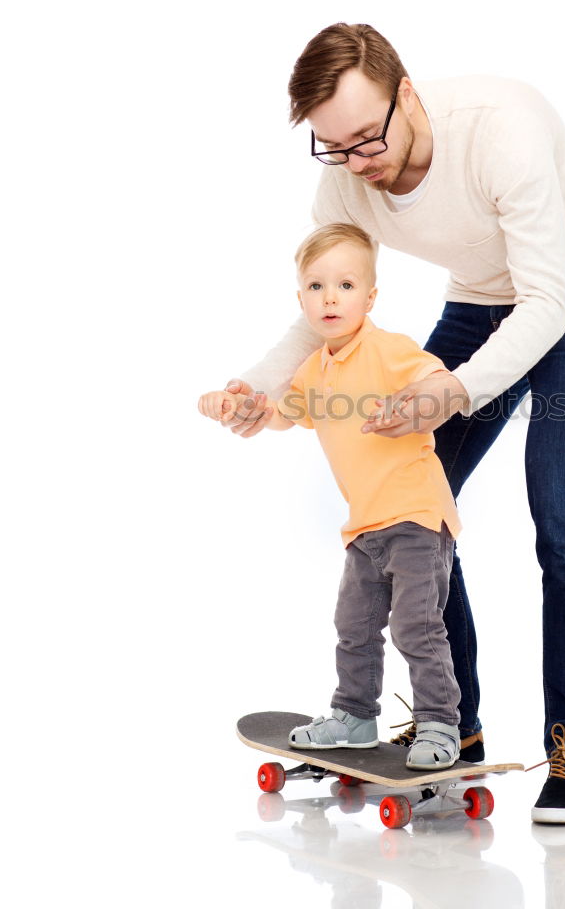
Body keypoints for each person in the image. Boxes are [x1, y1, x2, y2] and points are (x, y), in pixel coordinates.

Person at [221, 24, 565, 823]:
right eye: (334, 146)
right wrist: (258, 385)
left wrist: (452, 389)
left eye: (369, 136)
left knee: (563, 509)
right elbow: (319, 312)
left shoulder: (499, 129)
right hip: (482, 297)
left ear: (407, 94)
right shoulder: (345, 176)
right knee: (415, 504)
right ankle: (454, 725)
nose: (359, 161)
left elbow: (545, 303)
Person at [199, 223, 464, 769]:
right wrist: (233, 406)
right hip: (363, 527)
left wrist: (420, 399)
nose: (330, 298)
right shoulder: (313, 371)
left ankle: (440, 725)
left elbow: (438, 379)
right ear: (301, 301)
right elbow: (278, 415)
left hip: (416, 515)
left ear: (370, 296)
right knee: (355, 627)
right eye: (316, 287)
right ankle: (355, 715)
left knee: (418, 627)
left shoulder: (389, 350)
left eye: (345, 286)